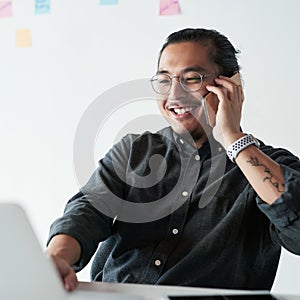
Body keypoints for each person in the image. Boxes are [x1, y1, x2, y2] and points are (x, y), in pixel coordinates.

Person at [46, 28, 300, 292]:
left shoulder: (272, 165)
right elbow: (88, 210)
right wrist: (57, 257)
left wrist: (234, 139)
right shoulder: (135, 149)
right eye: (165, 81)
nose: (175, 95)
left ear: (230, 85)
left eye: (191, 79)